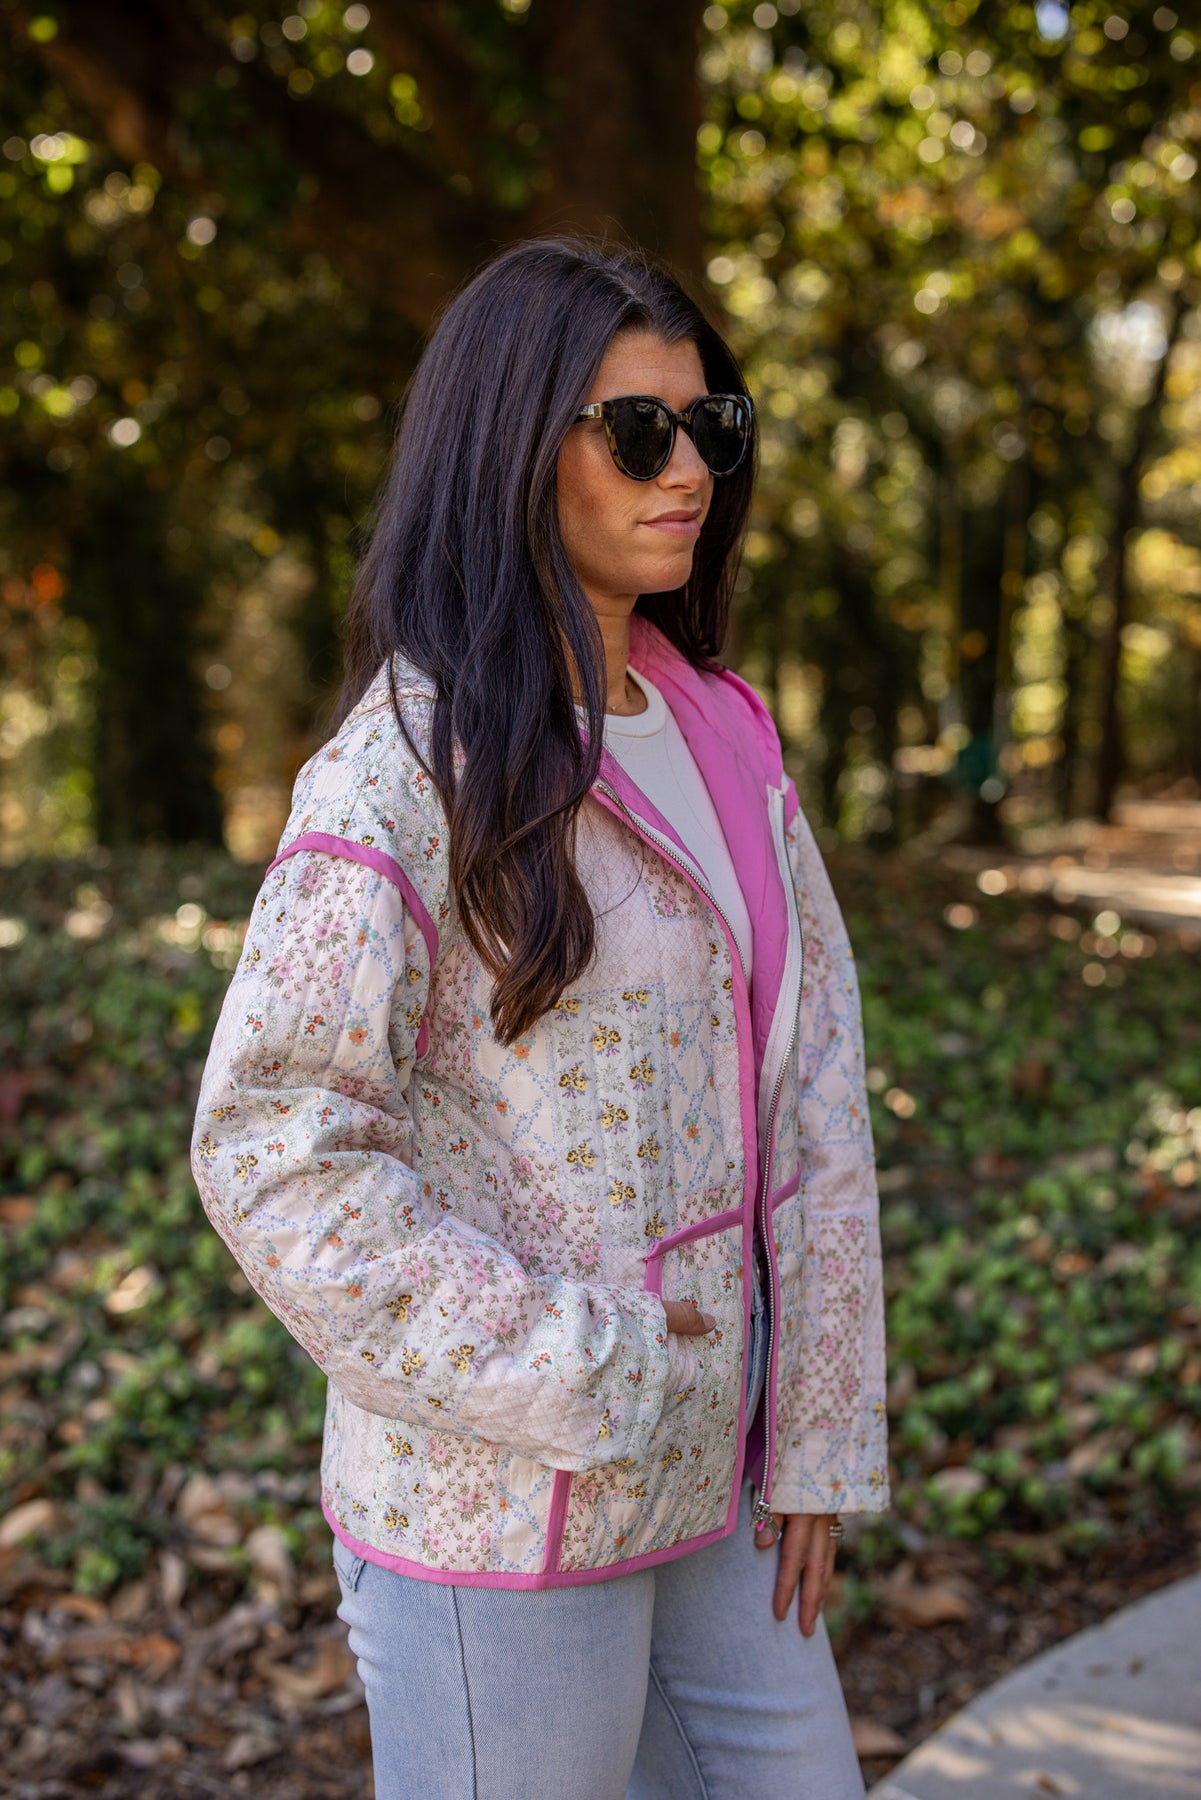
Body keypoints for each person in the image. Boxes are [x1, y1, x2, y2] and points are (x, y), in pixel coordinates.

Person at [191, 236, 889, 1800]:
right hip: (498, 1508)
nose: (687, 468)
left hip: (716, 1481)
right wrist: (588, 1367)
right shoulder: (403, 766)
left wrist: (817, 1431)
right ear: (512, 446)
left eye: (710, 427)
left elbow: (813, 1091)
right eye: (636, 431)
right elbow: (274, 1147)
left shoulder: (723, 735)